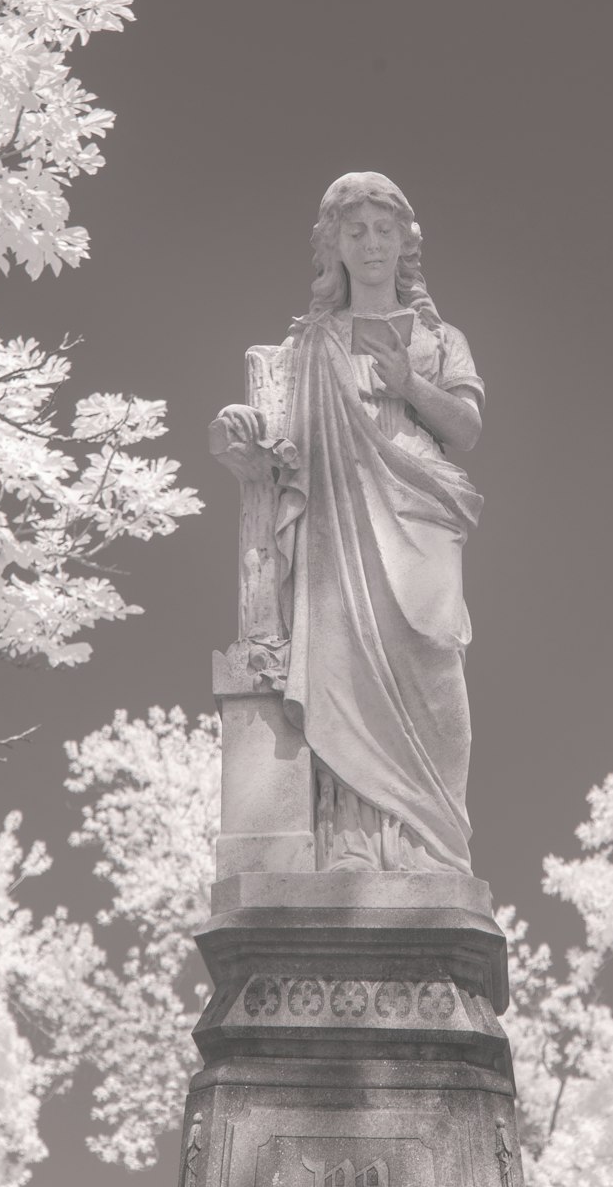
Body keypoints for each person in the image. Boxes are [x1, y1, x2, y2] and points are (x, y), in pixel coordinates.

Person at [220, 172, 484, 874]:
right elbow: (283, 438)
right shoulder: (308, 345)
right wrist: (243, 430)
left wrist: (408, 384)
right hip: (340, 509)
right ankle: (357, 845)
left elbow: (467, 427)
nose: (371, 243)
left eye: (384, 230)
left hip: (421, 506)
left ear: (405, 243)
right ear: (332, 245)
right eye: (356, 230)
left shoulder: (438, 336)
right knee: (342, 656)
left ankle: (434, 843)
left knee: (435, 654)